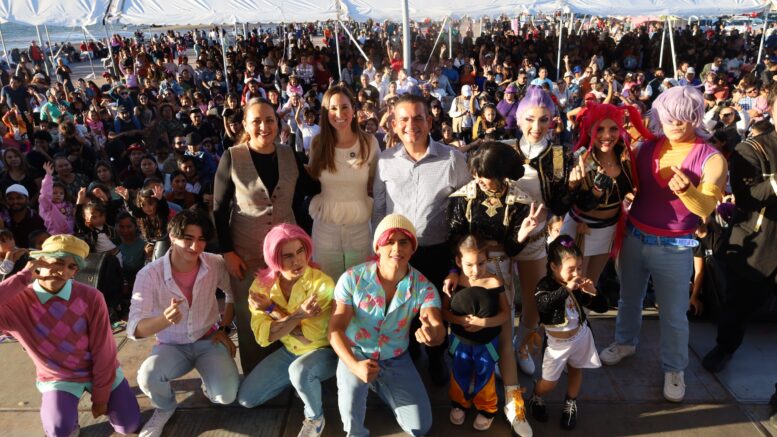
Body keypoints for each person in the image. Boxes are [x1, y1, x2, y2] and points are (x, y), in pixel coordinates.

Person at [599, 86, 727, 403]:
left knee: (673, 314)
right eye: (669, 118)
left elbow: (706, 208)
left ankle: (675, 368)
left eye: (683, 118)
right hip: (634, 236)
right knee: (629, 298)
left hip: (675, 246)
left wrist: (687, 192)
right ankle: (625, 342)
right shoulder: (645, 147)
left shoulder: (711, 158)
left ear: (696, 117)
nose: (675, 124)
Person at [212, 99, 318, 374]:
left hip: (287, 255)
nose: (264, 126)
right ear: (245, 125)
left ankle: (295, 373)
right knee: (253, 316)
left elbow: (312, 187)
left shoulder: (289, 154)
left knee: (289, 310)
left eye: (269, 120)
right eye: (256, 121)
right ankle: (258, 377)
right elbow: (219, 209)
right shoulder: (232, 157)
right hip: (246, 253)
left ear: (277, 123)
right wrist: (228, 252)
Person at [446, 142, 544, 435]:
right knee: (463, 338)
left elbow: (511, 249)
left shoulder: (520, 200)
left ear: (502, 173)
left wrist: (522, 235)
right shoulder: (462, 198)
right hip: (466, 274)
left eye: (486, 174)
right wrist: (454, 271)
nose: (479, 179)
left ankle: (513, 404)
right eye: (476, 172)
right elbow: (454, 239)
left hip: (499, 273)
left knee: (504, 337)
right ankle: (465, 395)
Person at [372, 94, 470, 385]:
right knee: (403, 308)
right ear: (394, 124)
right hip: (398, 252)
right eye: (403, 119)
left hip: (438, 250)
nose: (410, 125)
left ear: (429, 121)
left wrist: (458, 261)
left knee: (435, 308)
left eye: (418, 118)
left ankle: (437, 357)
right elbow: (379, 208)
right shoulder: (385, 160)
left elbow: (465, 209)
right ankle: (410, 351)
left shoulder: (453, 159)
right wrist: (378, 251)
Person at [0, 235, 141, 437]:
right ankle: (67, 418)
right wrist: (23, 276)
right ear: (39, 262)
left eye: (71, 267)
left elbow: (103, 349)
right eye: (58, 262)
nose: (63, 271)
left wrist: (101, 397)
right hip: (58, 377)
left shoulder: (90, 296)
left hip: (98, 370)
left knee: (128, 426)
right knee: (59, 430)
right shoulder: (16, 303)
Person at [328, 214, 445, 437]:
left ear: (412, 248)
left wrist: (433, 334)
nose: (396, 248)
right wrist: (354, 366)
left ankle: (379, 384)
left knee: (419, 427)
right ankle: (362, 383)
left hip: (396, 356)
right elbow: (335, 329)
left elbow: (435, 323)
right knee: (352, 423)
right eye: (389, 241)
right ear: (377, 247)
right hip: (356, 353)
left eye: (403, 242)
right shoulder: (352, 279)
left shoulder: (423, 286)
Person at [128, 210, 239, 437]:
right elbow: (135, 328)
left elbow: (232, 294)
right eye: (188, 238)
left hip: (208, 339)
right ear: (172, 236)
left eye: (201, 239)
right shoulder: (149, 274)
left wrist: (225, 327)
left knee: (225, 397)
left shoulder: (214, 263)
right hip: (170, 345)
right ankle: (165, 407)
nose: (195, 246)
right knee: (147, 376)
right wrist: (164, 319)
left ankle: (210, 382)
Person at [702, 87, 777, 373]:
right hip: (758, 242)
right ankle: (725, 347)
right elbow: (746, 197)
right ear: (771, 109)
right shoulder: (752, 149)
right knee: (738, 305)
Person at [237, 224, 337, 437]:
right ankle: (302, 383)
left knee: (299, 371)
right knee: (247, 399)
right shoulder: (261, 287)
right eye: (288, 256)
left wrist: (270, 309)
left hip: (324, 351)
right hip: (289, 352)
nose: (297, 261)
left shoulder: (322, 284)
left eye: (301, 251)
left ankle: (315, 417)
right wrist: (297, 315)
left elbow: (308, 337)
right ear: (274, 259)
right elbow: (265, 336)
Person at [511, 86, 581, 376]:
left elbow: (559, 204)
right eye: (529, 119)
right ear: (519, 120)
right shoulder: (505, 148)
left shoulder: (560, 155)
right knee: (501, 298)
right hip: (501, 240)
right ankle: (502, 350)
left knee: (534, 299)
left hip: (536, 238)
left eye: (543, 120)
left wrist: (573, 187)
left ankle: (522, 346)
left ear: (552, 121)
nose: (536, 127)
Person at [561, 103, 654, 284]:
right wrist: (577, 186)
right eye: (599, 129)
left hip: (608, 229)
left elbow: (632, 188)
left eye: (613, 129)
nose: (606, 135)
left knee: (591, 283)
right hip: (580, 230)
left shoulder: (626, 156)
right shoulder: (580, 160)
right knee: (572, 285)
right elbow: (575, 204)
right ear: (589, 131)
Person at [527, 236, 608, 430]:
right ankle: (536, 395)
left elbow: (602, 307)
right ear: (554, 266)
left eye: (579, 268)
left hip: (580, 337)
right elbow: (544, 305)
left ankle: (571, 402)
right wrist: (566, 290)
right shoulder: (544, 286)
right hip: (557, 344)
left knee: (576, 370)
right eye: (571, 269)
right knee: (549, 383)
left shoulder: (579, 285)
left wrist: (593, 292)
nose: (576, 273)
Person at [308, 85, 379, 280]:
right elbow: (313, 176)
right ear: (326, 112)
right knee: (327, 285)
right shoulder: (317, 143)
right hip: (325, 228)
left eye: (345, 107)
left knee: (361, 285)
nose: (339, 114)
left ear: (354, 109)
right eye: (333, 108)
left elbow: (375, 182)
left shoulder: (370, 142)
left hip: (360, 228)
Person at [442, 235, 512, 431]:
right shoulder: (454, 282)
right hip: (460, 341)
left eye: (481, 263)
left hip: (486, 342)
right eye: (469, 264)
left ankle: (487, 407)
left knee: (485, 372)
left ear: (487, 259)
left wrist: (484, 323)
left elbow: (505, 313)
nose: (476, 270)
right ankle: (459, 402)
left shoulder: (494, 282)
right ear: (458, 262)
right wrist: (459, 320)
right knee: (459, 370)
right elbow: (444, 311)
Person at [3, 184, 45, 248]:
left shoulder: (37, 219)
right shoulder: (3, 219)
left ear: (27, 199)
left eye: (19, 198)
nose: (15, 201)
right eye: (11, 199)